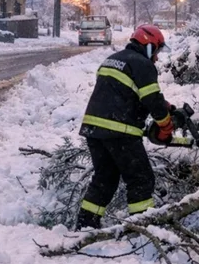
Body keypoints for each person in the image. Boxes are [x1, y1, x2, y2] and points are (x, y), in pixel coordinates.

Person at [75, 24, 175, 230]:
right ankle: (141, 228)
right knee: (141, 179)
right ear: (149, 46)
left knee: (105, 178)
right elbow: (151, 99)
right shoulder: (143, 64)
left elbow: (123, 92)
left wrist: (166, 107)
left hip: (93, 129)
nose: (156, 58)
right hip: (119, 131)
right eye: (156, 52)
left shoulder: (112, 60)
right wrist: (165, 125)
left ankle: (86, 227)